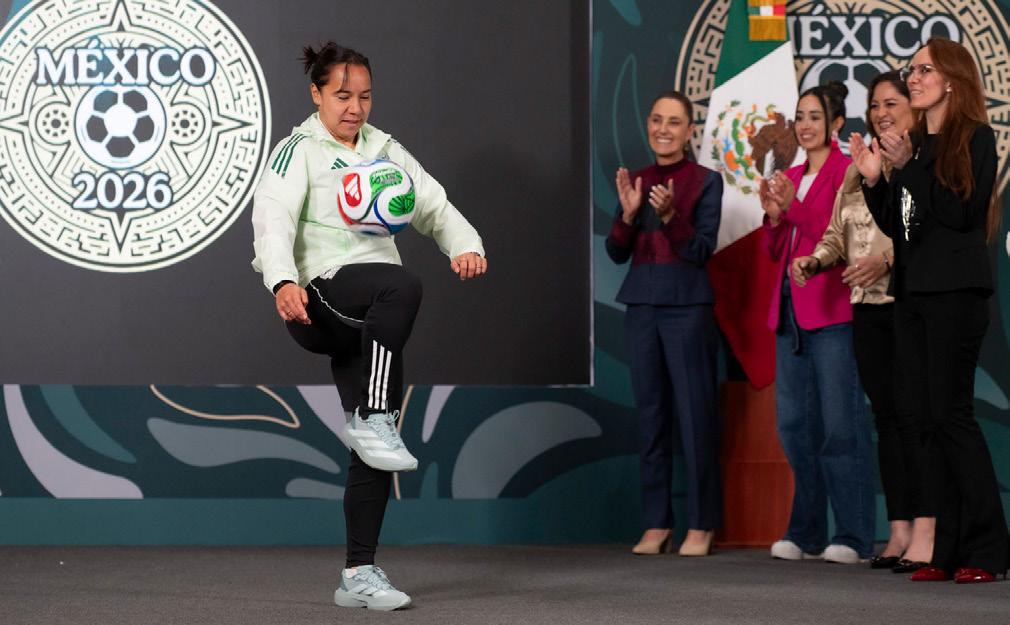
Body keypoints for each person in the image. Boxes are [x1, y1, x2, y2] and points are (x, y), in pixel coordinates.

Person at [251, 42, 487, 609]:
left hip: (373, 318)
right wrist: (281, 281)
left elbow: (433, 204)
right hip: (319, 298)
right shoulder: (298, 150)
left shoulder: (385, 150)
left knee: (378, 447)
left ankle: (358, 573)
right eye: (342, 96)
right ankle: (374, 415)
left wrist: (466, 244)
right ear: (316, 94)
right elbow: (272, 216)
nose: (354, 107)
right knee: (400, 285)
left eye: (364, 96)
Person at [854, 37, 1008, 583]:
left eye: (923, 70)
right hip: (914, 295)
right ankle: (947, 551)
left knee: (951, 417)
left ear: (952, 81)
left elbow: (960, 213)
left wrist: (908, 168)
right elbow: (902, 225)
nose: (912, 78)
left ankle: (987, 550)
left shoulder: (977, 138)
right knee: (922, 422)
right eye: (911, 70)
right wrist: (876, 180)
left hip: (956, 294)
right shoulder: (914, 145)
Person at [792, 72, 934, 571]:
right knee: (887, 420)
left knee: (917, 416)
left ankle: (929, 526)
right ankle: (898, 530)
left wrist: (887, 260)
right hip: (865, 307)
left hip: (909, 304)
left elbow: (931, 231)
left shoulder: (923, 160)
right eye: (875, 105)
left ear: (913, 109)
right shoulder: (858, 168)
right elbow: (837, 233)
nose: (881, 113)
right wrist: (815, 260)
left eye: (891, 103)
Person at [759, 81, 876, 564]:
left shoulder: (848, 172)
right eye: (800, 116)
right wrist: (773, 219)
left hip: (833, 312)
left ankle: (853, 535)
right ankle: (805, 531)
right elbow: (774, 249)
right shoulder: (789, 174)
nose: (804, 125)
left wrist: (793, 209)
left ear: (836, 124)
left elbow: (841, 238)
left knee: (840, 427)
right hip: (789, 313)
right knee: (793, 426)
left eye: (814, 116)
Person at [605, 90, 723, 557]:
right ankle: (657, 523)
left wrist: (672, 217)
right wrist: (629, 215)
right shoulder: (636, 180)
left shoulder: (706, 181)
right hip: (642, 307)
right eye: (657, 119)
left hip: (688, 308)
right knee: (651, 418)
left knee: (695, 418)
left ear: (690, 130)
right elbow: (616, 252)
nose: (663, 129)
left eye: (674, 122)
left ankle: (702, 523)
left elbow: (701, 250)